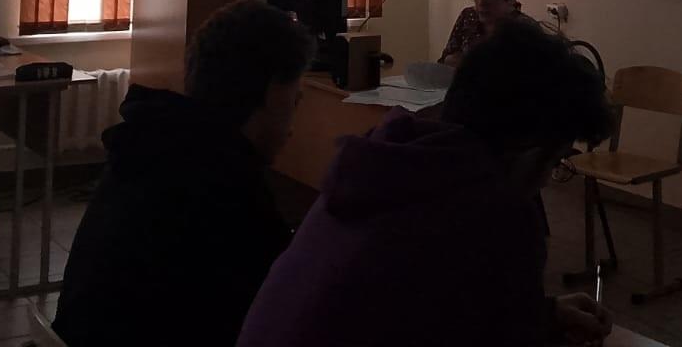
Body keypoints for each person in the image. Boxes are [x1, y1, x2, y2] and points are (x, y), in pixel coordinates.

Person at [237, 18, 616, 347]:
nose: (547, 180)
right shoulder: (498, 214)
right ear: (531, 156)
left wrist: (540, 315)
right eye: (555, 163)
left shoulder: (383, 158)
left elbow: (426, 307)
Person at [55, 0, 312, 347]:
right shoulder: (226, 191)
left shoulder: (150, 148)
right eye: (296, 99)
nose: (294, 122)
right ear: (274, 92)